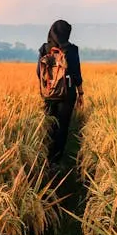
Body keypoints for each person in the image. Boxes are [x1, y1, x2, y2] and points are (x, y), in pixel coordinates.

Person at [36, 19, 84, 165]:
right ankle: (56, 160)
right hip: (67, 94)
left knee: (50, 124)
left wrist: (47, 86)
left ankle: (46, 156)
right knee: (63, 126)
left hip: (49, 93)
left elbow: (39, 72)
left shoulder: (44, 49)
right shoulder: (72, 49)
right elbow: (76, 73)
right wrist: (80, 93)